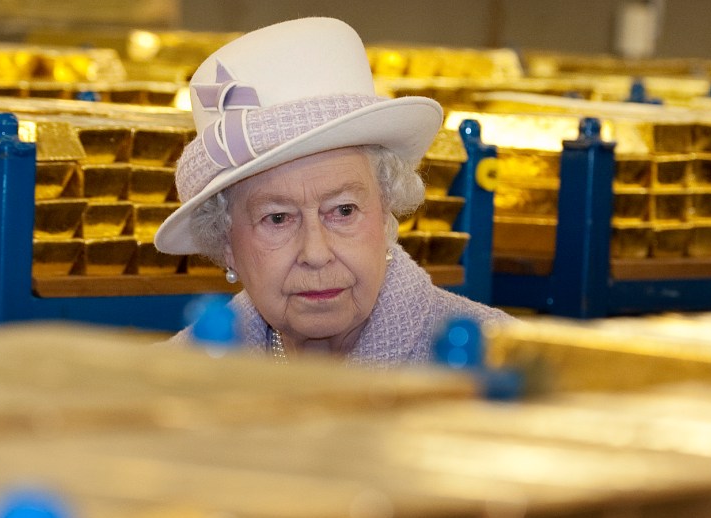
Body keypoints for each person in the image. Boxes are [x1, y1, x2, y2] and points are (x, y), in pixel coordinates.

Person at [156, 17, 511, 364]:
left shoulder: (502, 363)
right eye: (277, 218)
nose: (315, 252)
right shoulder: (179, 372)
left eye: (343, 211)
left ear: (386, 215)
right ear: (227, 245)